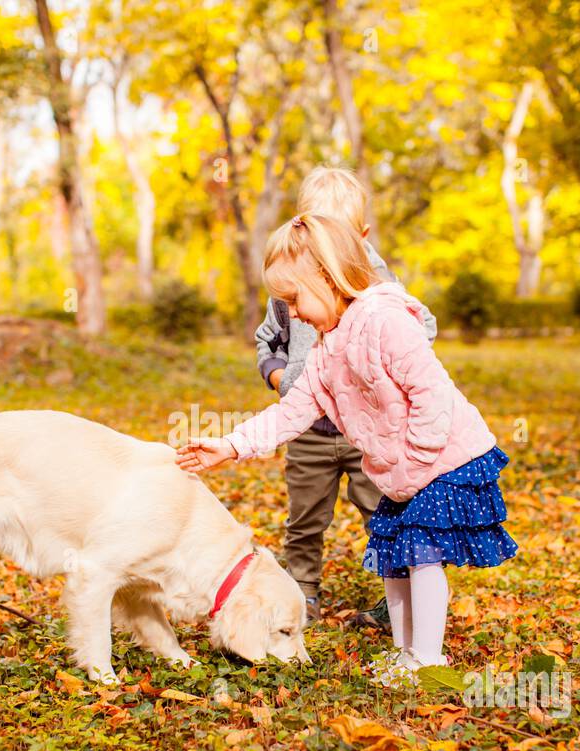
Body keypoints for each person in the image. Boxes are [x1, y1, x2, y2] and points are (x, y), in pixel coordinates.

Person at [178, 214, 516, 687]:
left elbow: (432, 395)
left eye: (293, 299)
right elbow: (290, 412)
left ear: (328, 275)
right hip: (403, 471)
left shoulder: (385, 322)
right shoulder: (327, 347)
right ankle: (404, 653)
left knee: (422, 556)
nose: (291, 314)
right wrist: (229, 445)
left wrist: (413, 462)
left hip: (443, 460)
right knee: (395, 557)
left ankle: (428, 660)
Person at [253, 166, 436, 625]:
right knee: (305, 514)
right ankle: (302, 592)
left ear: (360, 236)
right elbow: (266, 341)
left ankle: (400, 600)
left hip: (368, 430)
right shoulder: (290, 287)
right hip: (308, 428)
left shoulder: (375, 282)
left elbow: (421, 326)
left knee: (385, 508)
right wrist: (281, 379)